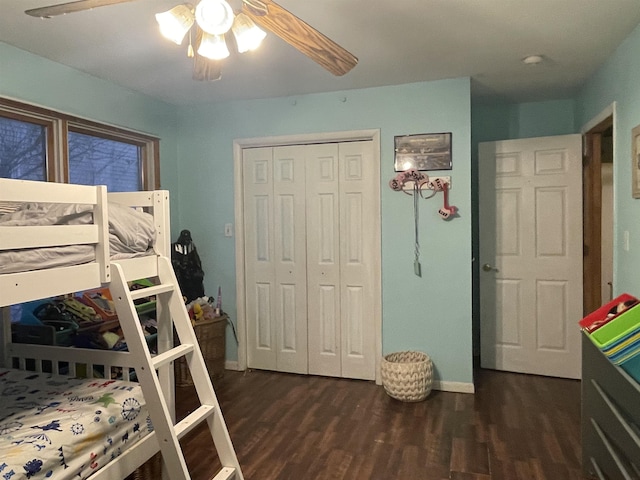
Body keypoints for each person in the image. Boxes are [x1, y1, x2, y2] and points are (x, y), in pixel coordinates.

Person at [171, 229, 205, 302]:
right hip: (179, 270)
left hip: (190, 269)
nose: (187, 242)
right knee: (178, 277)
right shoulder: (175, 247)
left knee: (198, 276)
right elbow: (173, 260)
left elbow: (197, 260)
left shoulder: (191, 246)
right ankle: (183, 296)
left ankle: (200, 296)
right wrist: (179, 265)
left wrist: (199, 270)